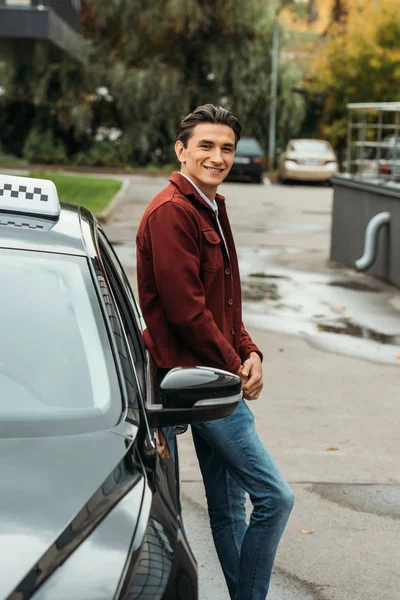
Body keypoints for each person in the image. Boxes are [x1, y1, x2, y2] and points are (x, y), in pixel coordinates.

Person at [136, 104, 294, 600]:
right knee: (274, 497)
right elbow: (186, 312)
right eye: (206, 145)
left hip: (216, 377)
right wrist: (233, 366)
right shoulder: (171, 213)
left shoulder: (211, 206)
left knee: (229, 508)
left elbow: (224, 302)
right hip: (199, 382)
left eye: (226, 147)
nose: (218, 156)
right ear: (181, 150)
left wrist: (251, 352)